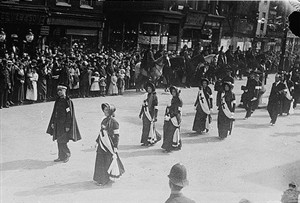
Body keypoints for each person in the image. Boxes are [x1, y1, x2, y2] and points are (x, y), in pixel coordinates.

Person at [46, 85, 81, 163]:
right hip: (58, 124)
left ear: (65, 91)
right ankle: (61, 156)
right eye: (58, 91)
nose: (59, 92)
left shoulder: (67, 101)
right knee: (59, 140)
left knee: (63, 140)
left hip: (64, 125)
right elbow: (54, 113)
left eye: (61, 90)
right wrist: (53, 122)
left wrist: (68, 125)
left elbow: (69, 114)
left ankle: (67, 154)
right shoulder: (58, 100)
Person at [93, 103, 125, 186]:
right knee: (100, 160)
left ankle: (104, 179)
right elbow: (101, 132)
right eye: (104, 110)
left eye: (107, 110)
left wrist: (115, 147)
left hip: (109, 145)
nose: (105, 111)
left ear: (110, 111)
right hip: (102, 143)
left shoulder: (115, 122)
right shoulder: (104, 120)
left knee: (107, 161)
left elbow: (117, 136)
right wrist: (97, 141)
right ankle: (99, 178)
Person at [162, 86, 183, 152]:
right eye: (172, 92)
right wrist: (166, 114)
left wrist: (171, 115)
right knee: (167, 131)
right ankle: (169, 146)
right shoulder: (171, 99)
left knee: (171, 132)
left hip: (175, 118)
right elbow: (168, 108)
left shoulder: (179, 100)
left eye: (174, 91)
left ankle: (169, 147)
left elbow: (177, 110)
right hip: (169, 117)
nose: (173, 93)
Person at [139, 82, 161, 146]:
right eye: (148, 88)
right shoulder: (146, 96)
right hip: (146, 114)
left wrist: (155, 116)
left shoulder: (154, 96)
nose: (149, 89)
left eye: (150, 88)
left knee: (151, 127)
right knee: (145, 128)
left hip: (151, 113)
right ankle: (145, 140)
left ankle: (152, 139)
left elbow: (156, 107)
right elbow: (143, 105)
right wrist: (141, 113)